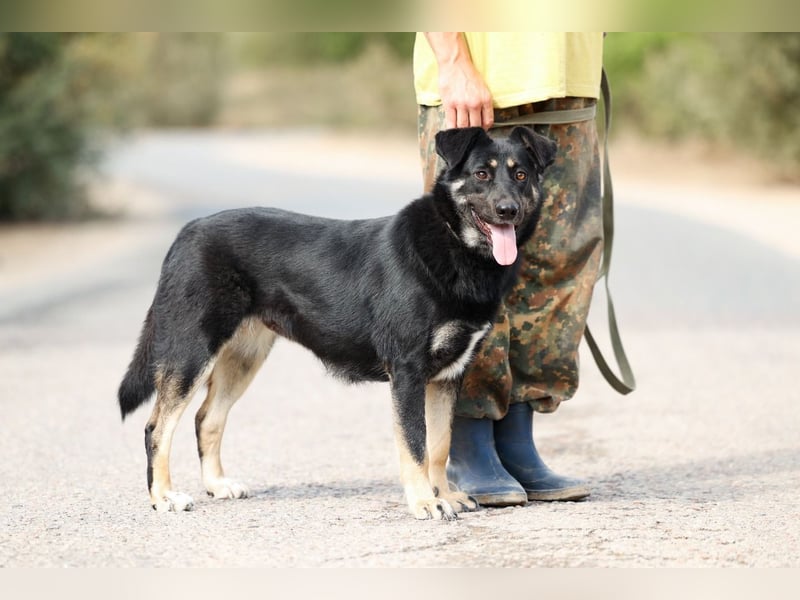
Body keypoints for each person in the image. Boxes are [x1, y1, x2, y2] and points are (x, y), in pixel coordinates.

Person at [414, 32, 604, 506]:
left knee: (560, 263)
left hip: (569, 81)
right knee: (466, 268)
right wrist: (454, 60)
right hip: (480, 78)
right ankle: (467, 440)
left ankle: (517, 441)